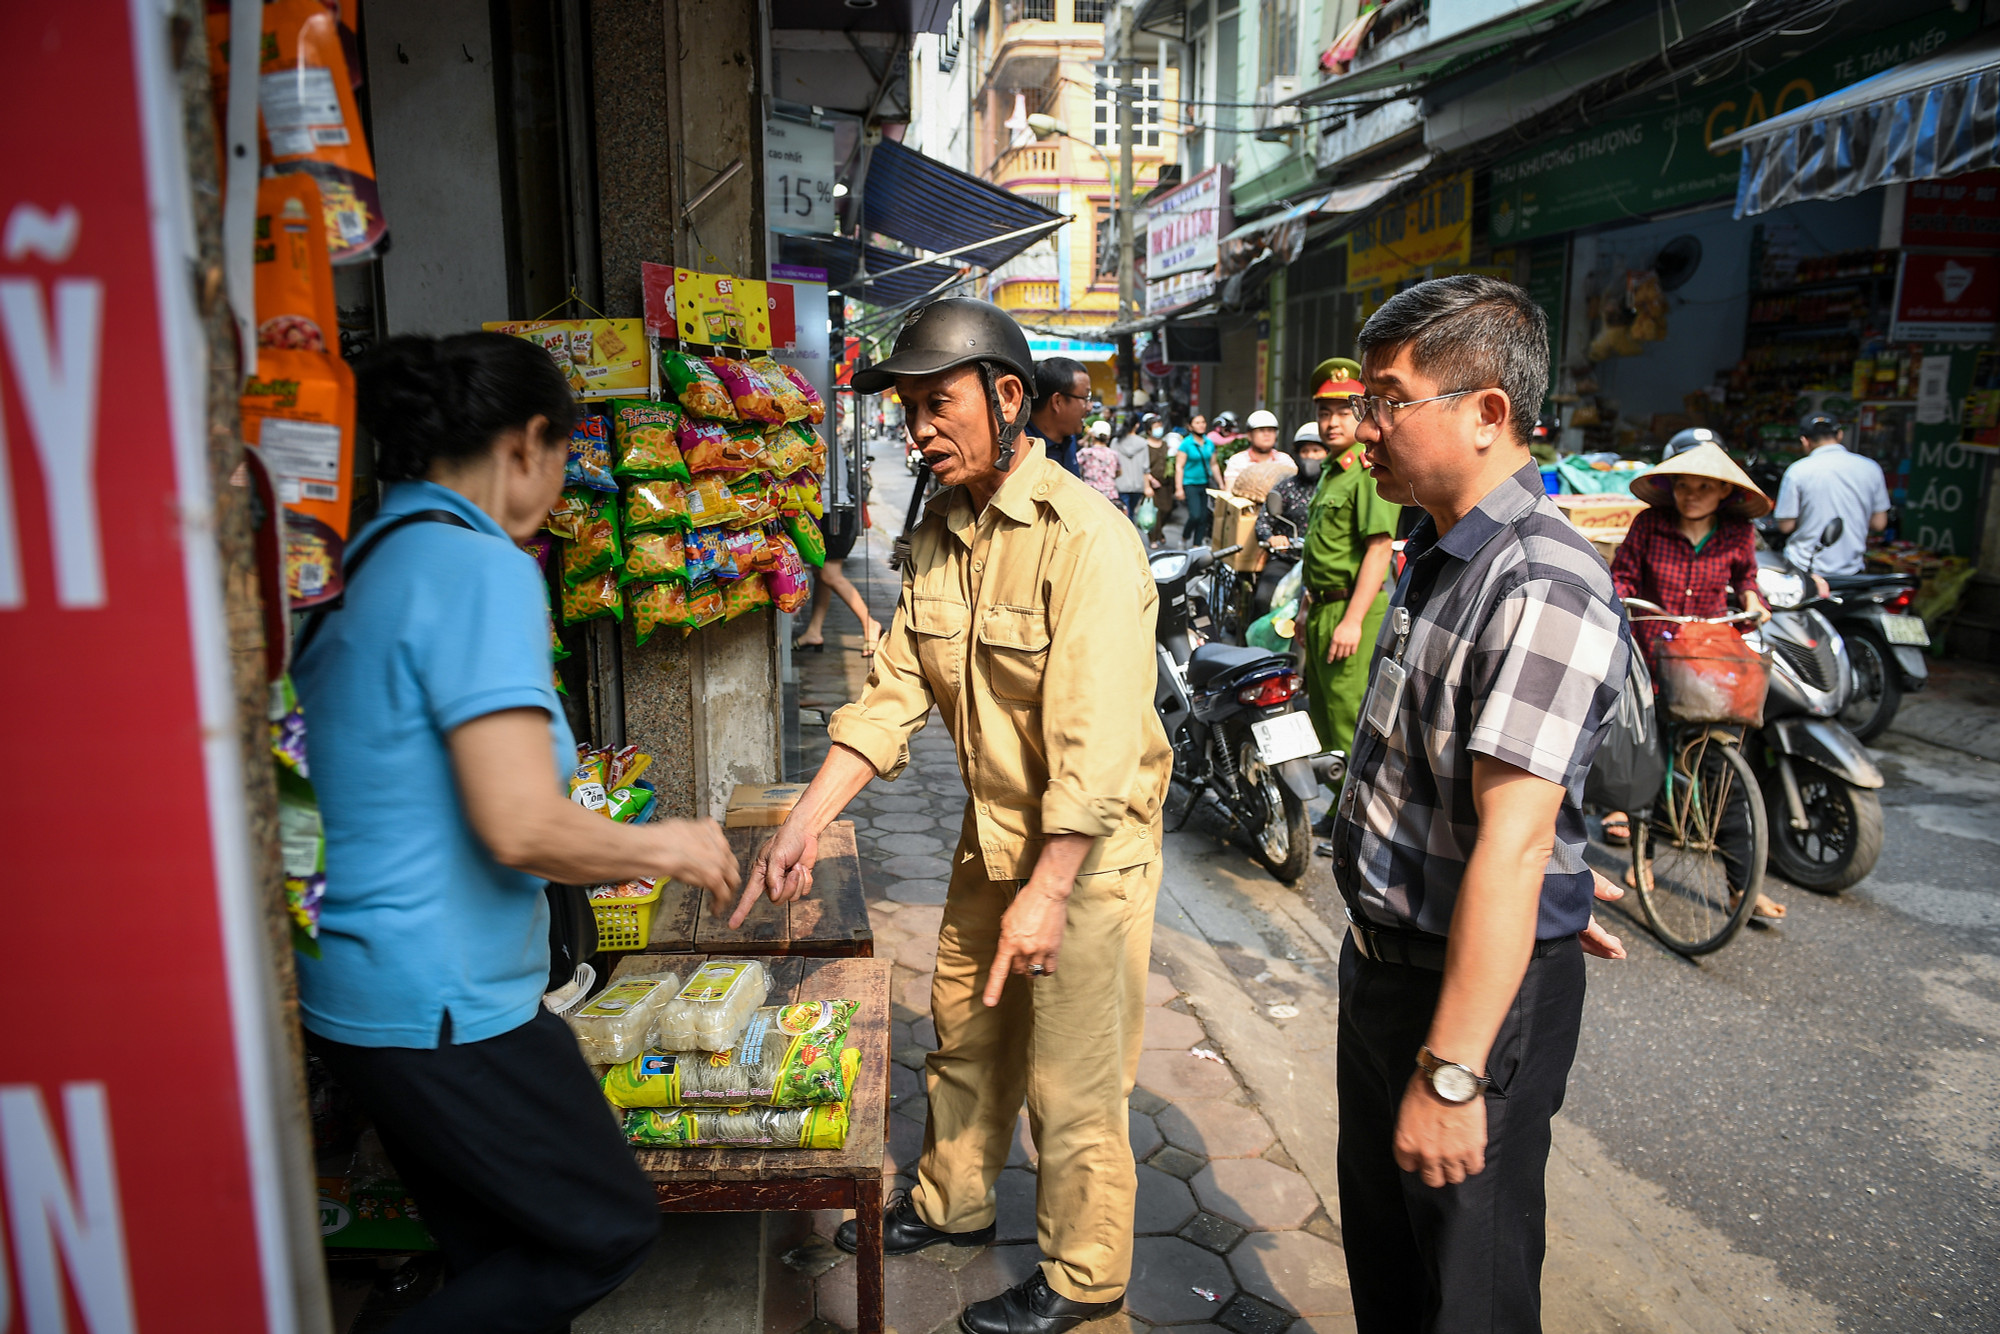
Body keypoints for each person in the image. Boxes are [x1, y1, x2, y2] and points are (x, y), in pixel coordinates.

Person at [728, 298, 1171, 1334]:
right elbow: (890, 692)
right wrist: (802, 821)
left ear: (1007, 397)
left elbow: (1094, 744)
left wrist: (1050, 892)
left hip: (1086, 856)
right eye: (909, 408)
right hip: (990, 839)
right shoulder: (938, 529)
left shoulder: (1086, 542)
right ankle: (952, 1200)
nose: (916, 429)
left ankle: (1082, 1273)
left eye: (936, 404)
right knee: (965, 1031)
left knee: (1070, 1080)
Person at [293, 333, 742, 1334]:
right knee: (605, 1227)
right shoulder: (475, 567)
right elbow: (516, 823)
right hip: (439, 998)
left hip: (357, 990)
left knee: (501, 1259)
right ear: (530, 442)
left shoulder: (367, 553)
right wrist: (668, 844)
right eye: (569, 455)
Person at [1330, 275, 1631, 1333]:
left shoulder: (1538, 579)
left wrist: (1453, 1070)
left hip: (1463, 1006)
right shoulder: (1434, 552)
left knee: (1468, 1288)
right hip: (1388, 964)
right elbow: (1467, 793)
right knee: (1390, 1263)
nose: (1359, 427)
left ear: (1485, 411)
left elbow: (1510, 840)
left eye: (1383, 399)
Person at [1605, 438, 1782, 919]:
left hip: (1706, 660)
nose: (1692, 495)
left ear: (1723, 493)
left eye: (1704, 488)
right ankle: (1642, 860)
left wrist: (1751, 599)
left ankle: (1739, 886)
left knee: (1720, 769)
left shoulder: (1736, 533)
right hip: (1654, 653)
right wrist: (1617, 599)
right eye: (1685, 486)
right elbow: (1623, 577)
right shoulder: (1649, 525)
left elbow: (1746, 578)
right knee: (1651, 755)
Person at [1297, 361, 1399, 805]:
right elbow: (1318, 552)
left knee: (1347, 718)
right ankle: (1337, 807)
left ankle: (1356, 815)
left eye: (1343, 412)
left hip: (1351, 610)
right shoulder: (1331, 470)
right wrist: (1303, 611)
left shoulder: (1364, 470)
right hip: (1321, 609)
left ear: (1362, 413)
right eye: (1324, 412)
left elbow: (1379, 548)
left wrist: (1353, 621)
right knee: (1320, 714)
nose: (1332, 422)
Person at [1774, 411, 1890, 580]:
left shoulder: (1798, 471)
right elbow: (1879, 523)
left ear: (1804, 441)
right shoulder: (1871, 468)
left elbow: (1786, 526)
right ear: (1840, 435)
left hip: (1805, 569)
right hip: (1851, 570)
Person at [1252, 422, 1327, 615]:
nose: (1310, 456)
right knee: (1263, 599)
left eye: (1316, 451)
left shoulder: (1333, 486)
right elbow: (1263, 522)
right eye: (1305, 451)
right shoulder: (1285, 487)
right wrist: (1272, 538)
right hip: (1287, 559)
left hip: (1323, 560)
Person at [792, 510, 883, 657]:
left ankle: (870, 624)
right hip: (825, 513)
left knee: (830, 574)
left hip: (835, 513)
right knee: (820, 573)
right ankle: (814, 631)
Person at [1029, 356, 1093, 478]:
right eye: (1085, 398)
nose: (1089, 407)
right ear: (1057, 402)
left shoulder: (1069, 439)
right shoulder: (1019, 450)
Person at [1174, 413, 1219, 547]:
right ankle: (1184, 537)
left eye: (1203, 422)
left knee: (1204, 517)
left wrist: (1222, 484)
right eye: (1197, 422)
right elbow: (1179, 466)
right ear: (1190, 426)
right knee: (1195, 515)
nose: (1201, 425)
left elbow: (1214, 464)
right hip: (1190, 483)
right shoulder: (1186, 444)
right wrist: (1178, 488)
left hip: (1205, 483)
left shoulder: (1209, 443)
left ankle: (1196, 546)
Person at [1223, 409, 1293, 492]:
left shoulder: (1285, 460)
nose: (1267, 434)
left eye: (1270, 430)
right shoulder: (1238, 461)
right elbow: (1230, 492)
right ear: (1249, 435)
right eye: (1261, 430)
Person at [1113, 414, 1153, 519]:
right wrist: (1147, 486)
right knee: (1131, 513)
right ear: (1136, 425)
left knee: (1123, 514)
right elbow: (1146, 467)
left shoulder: (1116, 442)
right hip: (1138, 485)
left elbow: (1113, 463)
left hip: (1120, 483)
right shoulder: (1143, 443)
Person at [1077, 418, 1121, 504]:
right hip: (1110, 495)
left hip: (1090, 494)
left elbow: (1072, 464)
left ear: (1092, 436)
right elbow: (1119, 472)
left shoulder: (1086, 452)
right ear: (1108, 437)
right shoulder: (1113, 454)